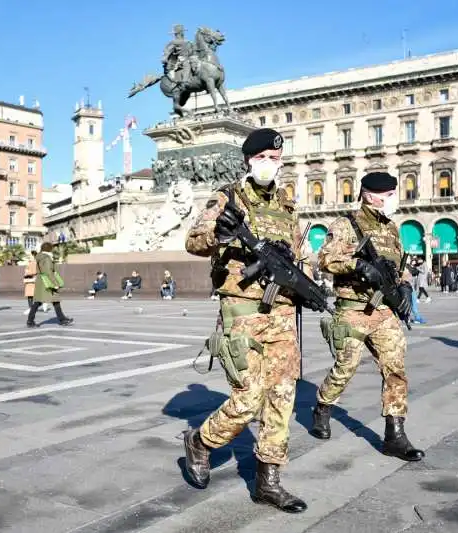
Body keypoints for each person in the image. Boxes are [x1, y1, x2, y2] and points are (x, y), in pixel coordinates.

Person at [181, 127, 308, 513]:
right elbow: (194, 241)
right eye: (263, 159)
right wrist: (218, 234)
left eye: (276, 159)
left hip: (283, 310)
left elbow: (298, 252)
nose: (271, 165)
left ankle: (268, 479)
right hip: (243, 310)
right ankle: (201, 441)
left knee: (282, 398)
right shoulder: (229, 196)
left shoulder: (287, 204)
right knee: (249, 400)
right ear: (249, 161)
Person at [310, 171, 424, 463]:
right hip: (353, 308)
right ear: (370, 195)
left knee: (395, 368)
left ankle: (395, 435)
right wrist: (359, 266)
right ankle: (323, 406)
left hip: (384, 310)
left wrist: (405, 283)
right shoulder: (346, 225)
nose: (391, 200)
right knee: (346, 367)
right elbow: (325, 259)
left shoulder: (392, 229)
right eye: (387, 196)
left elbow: (398, 266)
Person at [27, 243, 74, 327]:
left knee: (52, 301)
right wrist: (55, 283)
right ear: (49, 249)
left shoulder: (40, 257)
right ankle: (30, 321)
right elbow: (48, 271)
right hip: (47, 282)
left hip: (41, 282)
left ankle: (62, 319)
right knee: (40, 302)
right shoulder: (46, 258)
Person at [23, 249, 50, 315]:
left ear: (33, 255)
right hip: (31, 280)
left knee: (31, 295)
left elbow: (33, 271)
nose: (29, 256)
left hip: (32, 280)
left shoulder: (34, 262)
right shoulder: (34, 262)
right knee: (31, 295)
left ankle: (31, 308)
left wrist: (27, 272)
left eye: (30, 255)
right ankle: (42, 303)